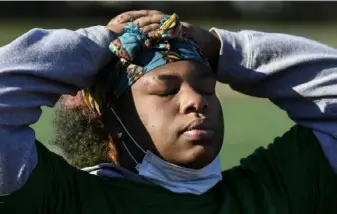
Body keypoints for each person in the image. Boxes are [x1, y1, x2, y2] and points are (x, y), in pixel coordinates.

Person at [0, 9, 336, 214]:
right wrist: (100, 43)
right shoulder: (63, 200)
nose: (196, 101)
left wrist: (223, 49)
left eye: (206, 86)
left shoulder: (273, 192)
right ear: (111, 118)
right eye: (166, 90)